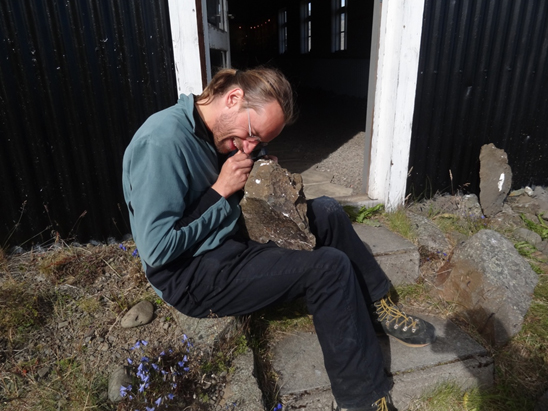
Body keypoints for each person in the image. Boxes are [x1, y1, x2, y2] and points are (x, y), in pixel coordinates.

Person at [122, 67, 435, 411]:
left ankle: (376, 305)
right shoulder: (161, 143)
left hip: (226, 236)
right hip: (193, 274)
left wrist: (258, 169)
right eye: (252, 134)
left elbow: (235, 166)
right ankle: (361, 398)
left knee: (329, 210)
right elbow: (157, 249)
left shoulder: (220, 131)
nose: (249, 146)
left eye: (262, 142)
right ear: (233, 98)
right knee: (329, 269)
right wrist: (220, 191)